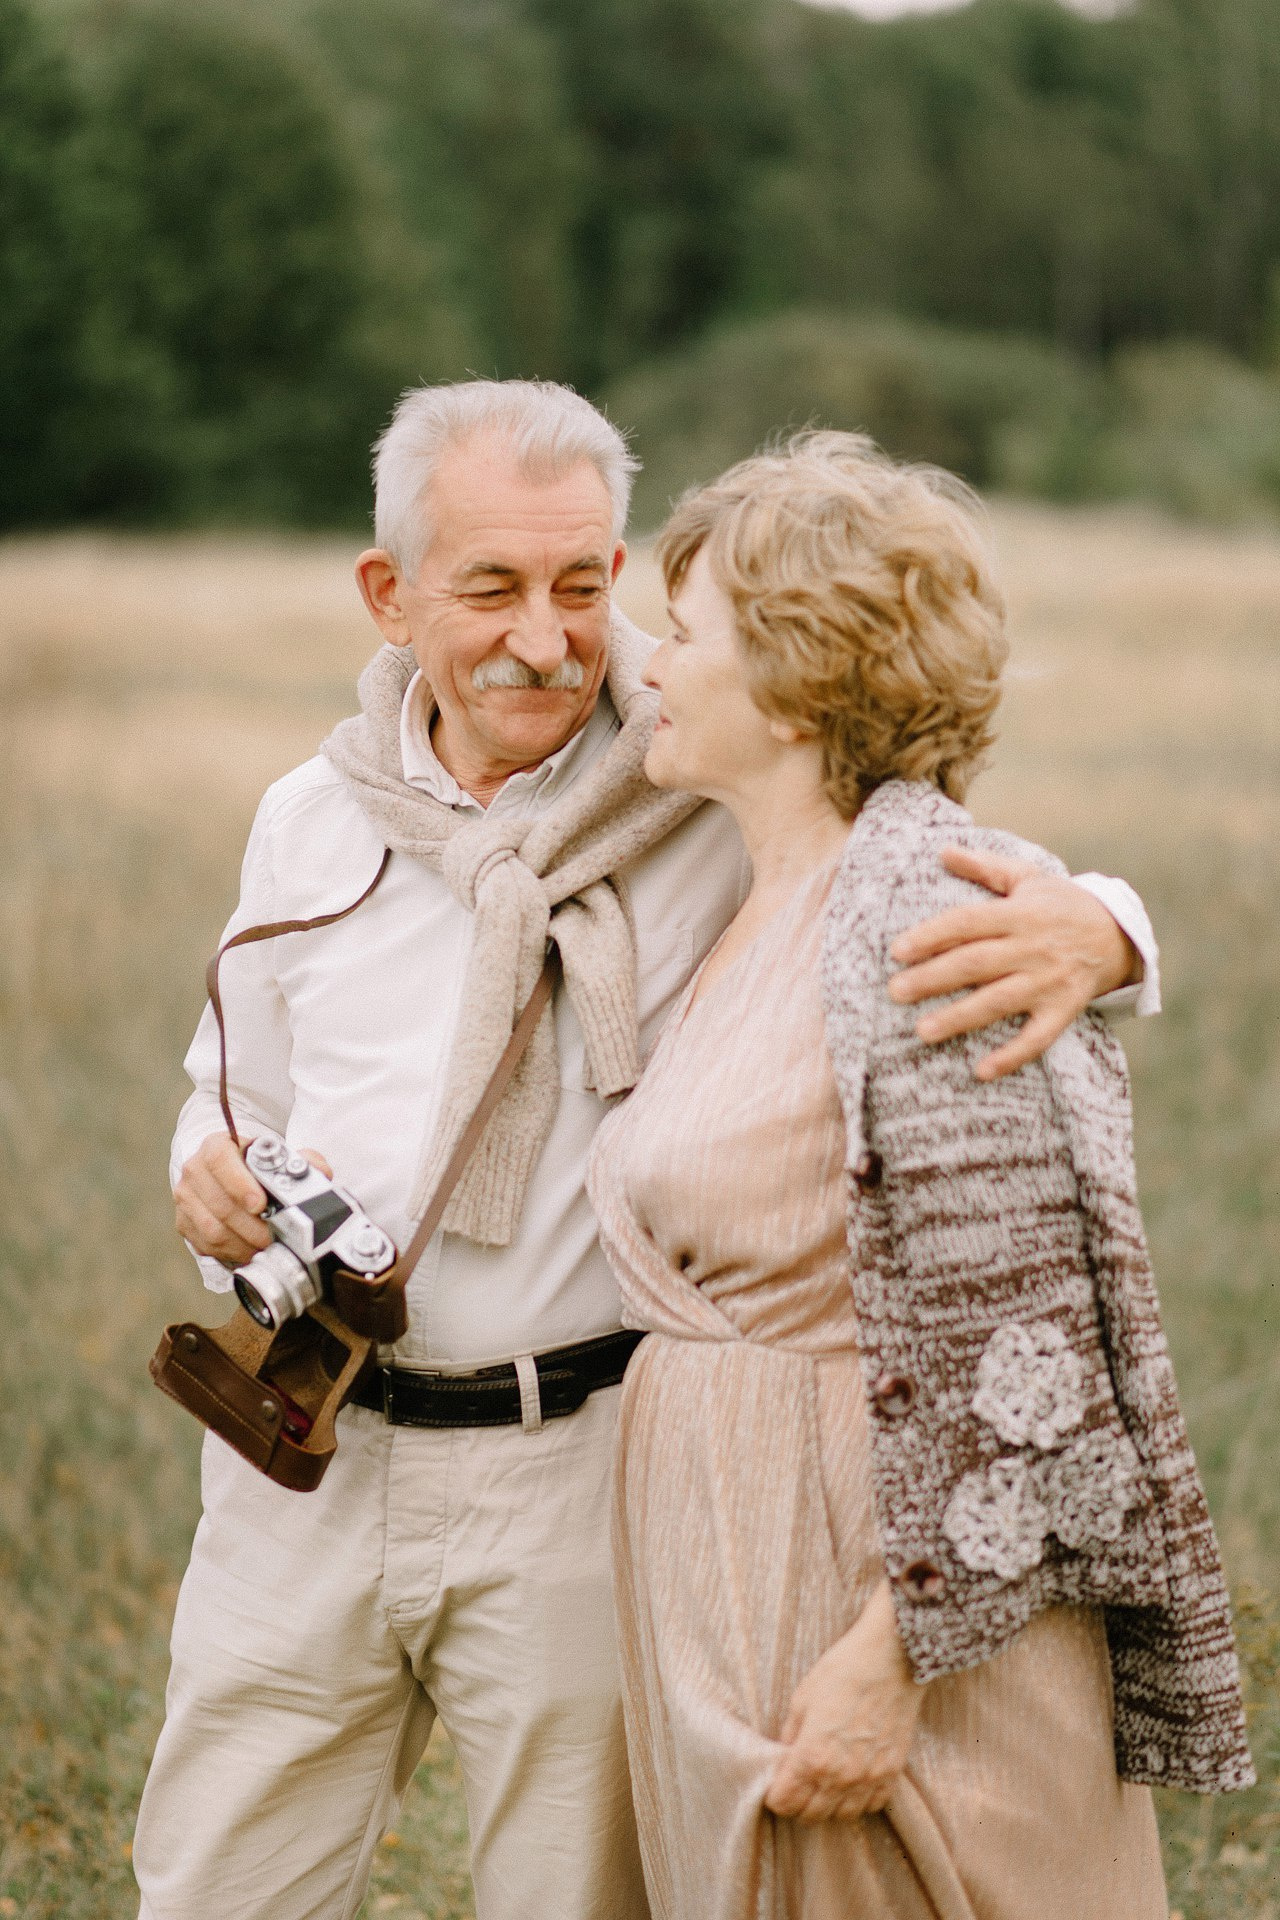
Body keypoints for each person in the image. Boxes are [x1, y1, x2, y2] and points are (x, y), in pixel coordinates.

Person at [135, 383, 1161, 1920]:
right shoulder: (308, 821)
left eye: (584, 584)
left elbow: (922, 845)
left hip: (577, 1465)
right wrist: (209, 1179)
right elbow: (232, 1086)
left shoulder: (689, 774)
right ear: (389, 592)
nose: (551, 641)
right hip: (312, 1447)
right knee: (216, 1883)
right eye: (489, 589)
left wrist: (1113, 929)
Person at [585, 430, 1253, 1920]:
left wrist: (891, 1660)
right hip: (725, 1557)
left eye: (684, 638)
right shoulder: (745, 900)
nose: (649, 670)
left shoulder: (938, 922)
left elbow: (1039, 1354)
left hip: (867, 1580)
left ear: (799, 676)